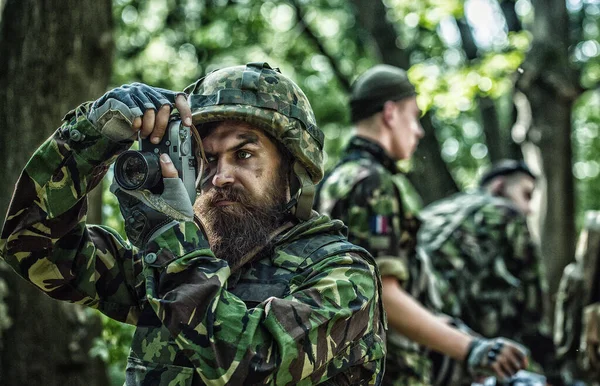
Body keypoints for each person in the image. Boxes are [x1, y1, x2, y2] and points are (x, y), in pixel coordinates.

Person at [0, 62, 386, 385]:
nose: (220, 177)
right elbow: (31, 243)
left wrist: (170, 241)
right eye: (209, 159)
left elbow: (251, 362)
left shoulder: (345, 275)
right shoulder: (178, 263)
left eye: (245, 153)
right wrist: (91, 137)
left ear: (294, 169)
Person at [315, 64, 529, 386]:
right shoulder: (372, 183)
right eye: (414, 117)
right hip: (389, 370)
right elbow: (382, 295)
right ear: (390, 113)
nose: (419, 131)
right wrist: (473, 349)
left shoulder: (334, 179)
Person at [417, 160, 557, 381]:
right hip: (447, 334)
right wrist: (554, 372)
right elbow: (534, 305)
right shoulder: (505, 213)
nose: (529, 209)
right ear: (499, 186)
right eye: (526, 195)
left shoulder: (441, 209)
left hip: (408, 322)